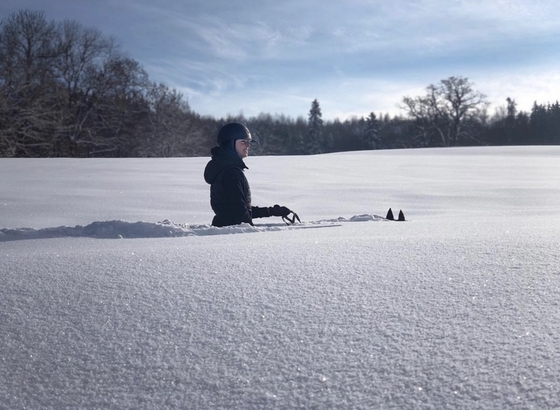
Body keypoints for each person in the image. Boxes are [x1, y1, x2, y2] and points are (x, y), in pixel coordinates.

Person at [204, 122, 299, 227]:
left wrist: (271, 211)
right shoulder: (231, 173)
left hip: (227, 230)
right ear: (230, 144)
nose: (248, 145)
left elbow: (239, 210)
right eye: (243, 142)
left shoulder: (226, 169)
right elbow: (240, 215)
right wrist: (250, 234)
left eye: (248, 142)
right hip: (232, 236)